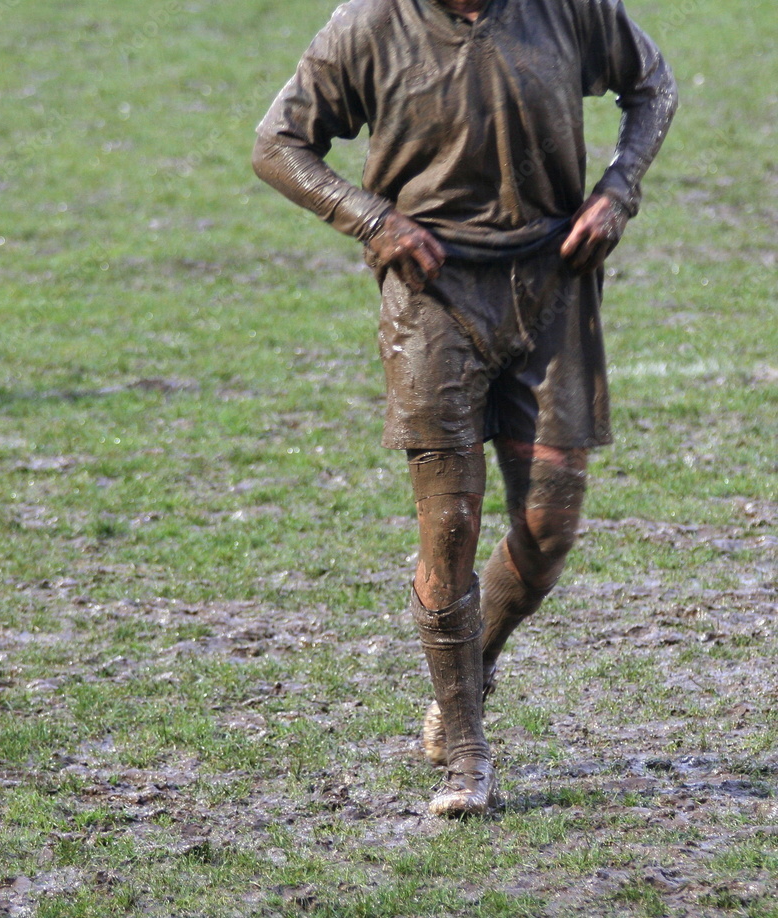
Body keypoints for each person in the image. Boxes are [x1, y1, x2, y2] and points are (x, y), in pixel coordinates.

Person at [252, 0, 677, 816]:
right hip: (432, 299)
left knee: (549, 530)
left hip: (552, 285)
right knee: (450, 525)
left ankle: (471, 664)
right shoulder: (367, 25)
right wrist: (369, 217)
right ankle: (468, 750)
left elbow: (652, 87)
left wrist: (618, 192)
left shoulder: (571, 9)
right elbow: (276, 142)